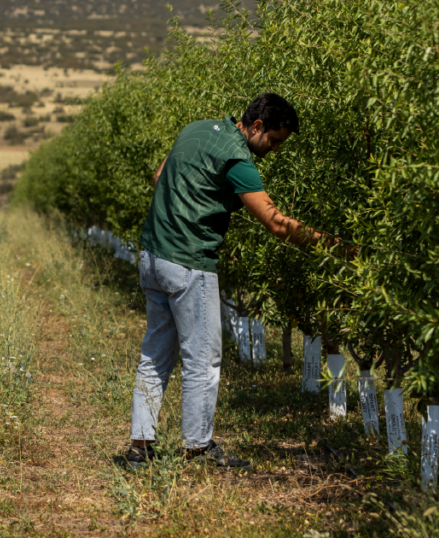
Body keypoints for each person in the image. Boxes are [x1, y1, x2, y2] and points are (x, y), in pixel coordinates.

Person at [126, 93, 343, 471]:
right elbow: (275, 222)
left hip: (152, 256)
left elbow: (161, 174)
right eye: (273, 140)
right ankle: (198, 447)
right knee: (203, 359)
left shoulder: (193, 130)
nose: (273, 150)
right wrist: (333, 246)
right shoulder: (237, 157)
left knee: (155, 354)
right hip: (189, 263)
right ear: (256, 126)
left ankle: (139, 445)